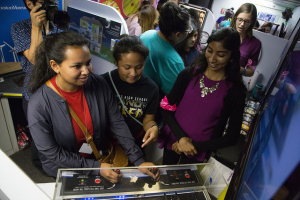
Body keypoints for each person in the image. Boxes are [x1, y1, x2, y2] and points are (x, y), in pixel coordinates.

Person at [27, 31, 158, 182]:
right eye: (77, 66)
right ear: (55, 66)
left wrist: (138, 160)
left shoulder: (98, 84)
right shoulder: (38, 104)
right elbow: (53, 154)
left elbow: (117, 123)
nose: (86, 71)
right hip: (66, 169)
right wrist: (94, 167)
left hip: (97, 158)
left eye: (88, 63)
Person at [158, 27, 246, 165]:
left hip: (198, 150)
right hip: (174, 138)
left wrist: (194, 146)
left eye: (221, 55)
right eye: (209, 51)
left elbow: (232, 137)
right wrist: (181, 139)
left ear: (232, 57)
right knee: (165, 177)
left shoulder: (236, 91)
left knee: (186, 183)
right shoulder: (189, 74)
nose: (212, 59)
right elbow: (165, 107)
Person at [11, 0, 61, 173]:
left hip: (60, 91)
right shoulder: (19, 27)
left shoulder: (59, 23)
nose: (48, 4)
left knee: (61, 133)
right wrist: (35, 27)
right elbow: (35, 59)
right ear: (29, 4)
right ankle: (43, 171)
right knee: (41, 137)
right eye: (42, 2)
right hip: (35, 93)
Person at [102, 35, 159, 149]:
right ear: (116, 62)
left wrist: (153, 127)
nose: (133, 73)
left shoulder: (151, 88)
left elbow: (148, 120)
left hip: (133, 143)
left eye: (139, 67)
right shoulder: (103, 82)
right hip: (105, 142)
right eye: (127, 68)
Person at [140, 1, 191, 96]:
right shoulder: (174, 61)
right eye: (188, 30)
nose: (189, 32)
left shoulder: (146, 34)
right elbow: (174, 95)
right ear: (178, 35)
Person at [230, 3, 261, 77]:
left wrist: (239, 69)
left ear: (252, 22)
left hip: (233, 80)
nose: (242, 24)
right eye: (240, 20)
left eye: (247, 21)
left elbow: (251, 71)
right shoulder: (225, 34)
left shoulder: (255, 44)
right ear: (235, 18)